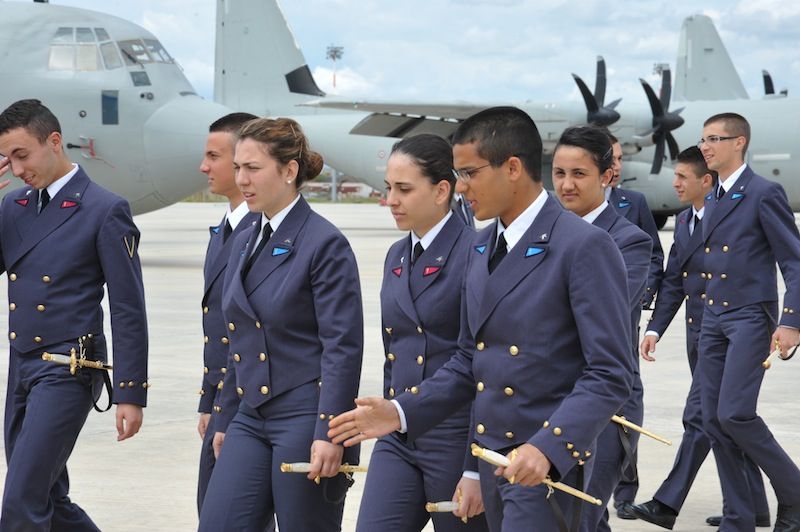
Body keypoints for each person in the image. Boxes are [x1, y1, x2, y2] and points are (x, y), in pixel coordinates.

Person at [329, 106, 634, 531]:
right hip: (490, 459)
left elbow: (610, 372)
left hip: (543, 466)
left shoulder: (583, 246)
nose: (461, 187)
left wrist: (549, 446)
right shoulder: (481, 245)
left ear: (512, 167)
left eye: (470, 173)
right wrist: (400, 411)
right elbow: (470, 363)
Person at [197, 117, 363, 531]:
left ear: (289, 171)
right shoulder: (247, 235)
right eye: (238, 167)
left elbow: (342, 346)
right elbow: (241, 335)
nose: (242, 179)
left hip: (305, 414)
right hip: (250, 414)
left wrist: (329, 431)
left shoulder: (324, 243)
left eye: (253, 168)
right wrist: (225, 416)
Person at [0, 99, 148, 530]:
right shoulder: (14, 207)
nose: (16, 167)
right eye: (7, 158)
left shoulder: (104, 209)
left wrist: (130, 391)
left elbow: (128, 309)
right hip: (22, 366)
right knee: (46, 496)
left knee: (20, 501)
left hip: (69, 369)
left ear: (55, 141)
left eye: (22, 155)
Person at [631, 146, 771, 529]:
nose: (673, 183)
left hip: (732, 333)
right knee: (725, 421)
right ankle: (753, 506)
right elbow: (675, 281)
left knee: (703, 418)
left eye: (681, 177)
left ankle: (668, 502)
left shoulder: (730, 219)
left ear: (705, 181)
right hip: (701, 337)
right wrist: (656, 328)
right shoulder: (684, 221)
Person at [355, 133, 487, 531]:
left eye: (404, 189)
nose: (390, 200)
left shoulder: (476, 255)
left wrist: (476, 467)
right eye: (388, 188)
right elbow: (394, 348)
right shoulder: (398, 254)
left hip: (455, 435)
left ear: (442, 190)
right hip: (398, 431)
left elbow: (480, 366)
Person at [694, 112, 800, 532]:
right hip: (713, 318)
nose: (705, 147)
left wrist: (791, 320)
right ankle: (739, 517)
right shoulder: (714, 196)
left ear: (739, 142)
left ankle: (794, 491)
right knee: (713, 420)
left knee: (735, 414)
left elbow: (794, 262)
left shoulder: (762, 193)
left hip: (748, 319)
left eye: (714, 138)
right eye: (702, 139)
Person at [551, 126, 652, 532]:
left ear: (607, 176)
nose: (566, 184)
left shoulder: (630, 241)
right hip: (549, 399)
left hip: (607, 410)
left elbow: (592, 316)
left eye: (579, 174)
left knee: (582, 516)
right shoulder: (543, 235)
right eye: (559, 173)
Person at [194, 112, 266, 513]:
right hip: (224, 400)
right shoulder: (225, 231)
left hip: (249, 404)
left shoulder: (258, 234)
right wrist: (208, 401)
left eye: (214, 156)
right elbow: (218, 329)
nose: (204, 167)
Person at [605, 132, 665, 518]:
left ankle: (625, 490)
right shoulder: (563, 207)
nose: (617, 165)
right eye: (611, 157)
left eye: (619, 158)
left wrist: (643, 295)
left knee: (628, 404)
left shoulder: (634, 203)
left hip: (624, 325)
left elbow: (654, 254)